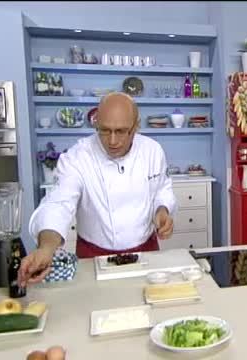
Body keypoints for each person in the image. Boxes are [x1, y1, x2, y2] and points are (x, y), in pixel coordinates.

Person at [19, 92, 177, 286]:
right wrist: (46, 249)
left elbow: (162, 188)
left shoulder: (153, 151)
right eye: (104, 130)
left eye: (120, 131)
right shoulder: (78, 157)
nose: (112, 141)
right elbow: (58, 204)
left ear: (136, 127)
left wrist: (162, 209)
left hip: (146, 252)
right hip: (92, 257)